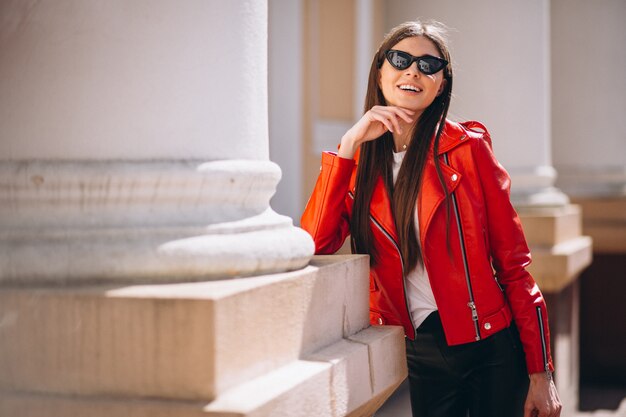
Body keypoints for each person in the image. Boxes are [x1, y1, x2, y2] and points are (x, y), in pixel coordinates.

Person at [301, 20, 562, 417]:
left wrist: (541, 373)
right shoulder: (359, 164)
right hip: (422, 351)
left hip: (492, 348)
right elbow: (315, 242)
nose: (413, 71)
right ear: (380, 71)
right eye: (401, 59)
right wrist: (349, 145)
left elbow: (515, 266)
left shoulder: (468, 150)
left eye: (428, 65)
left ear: (442, 83)